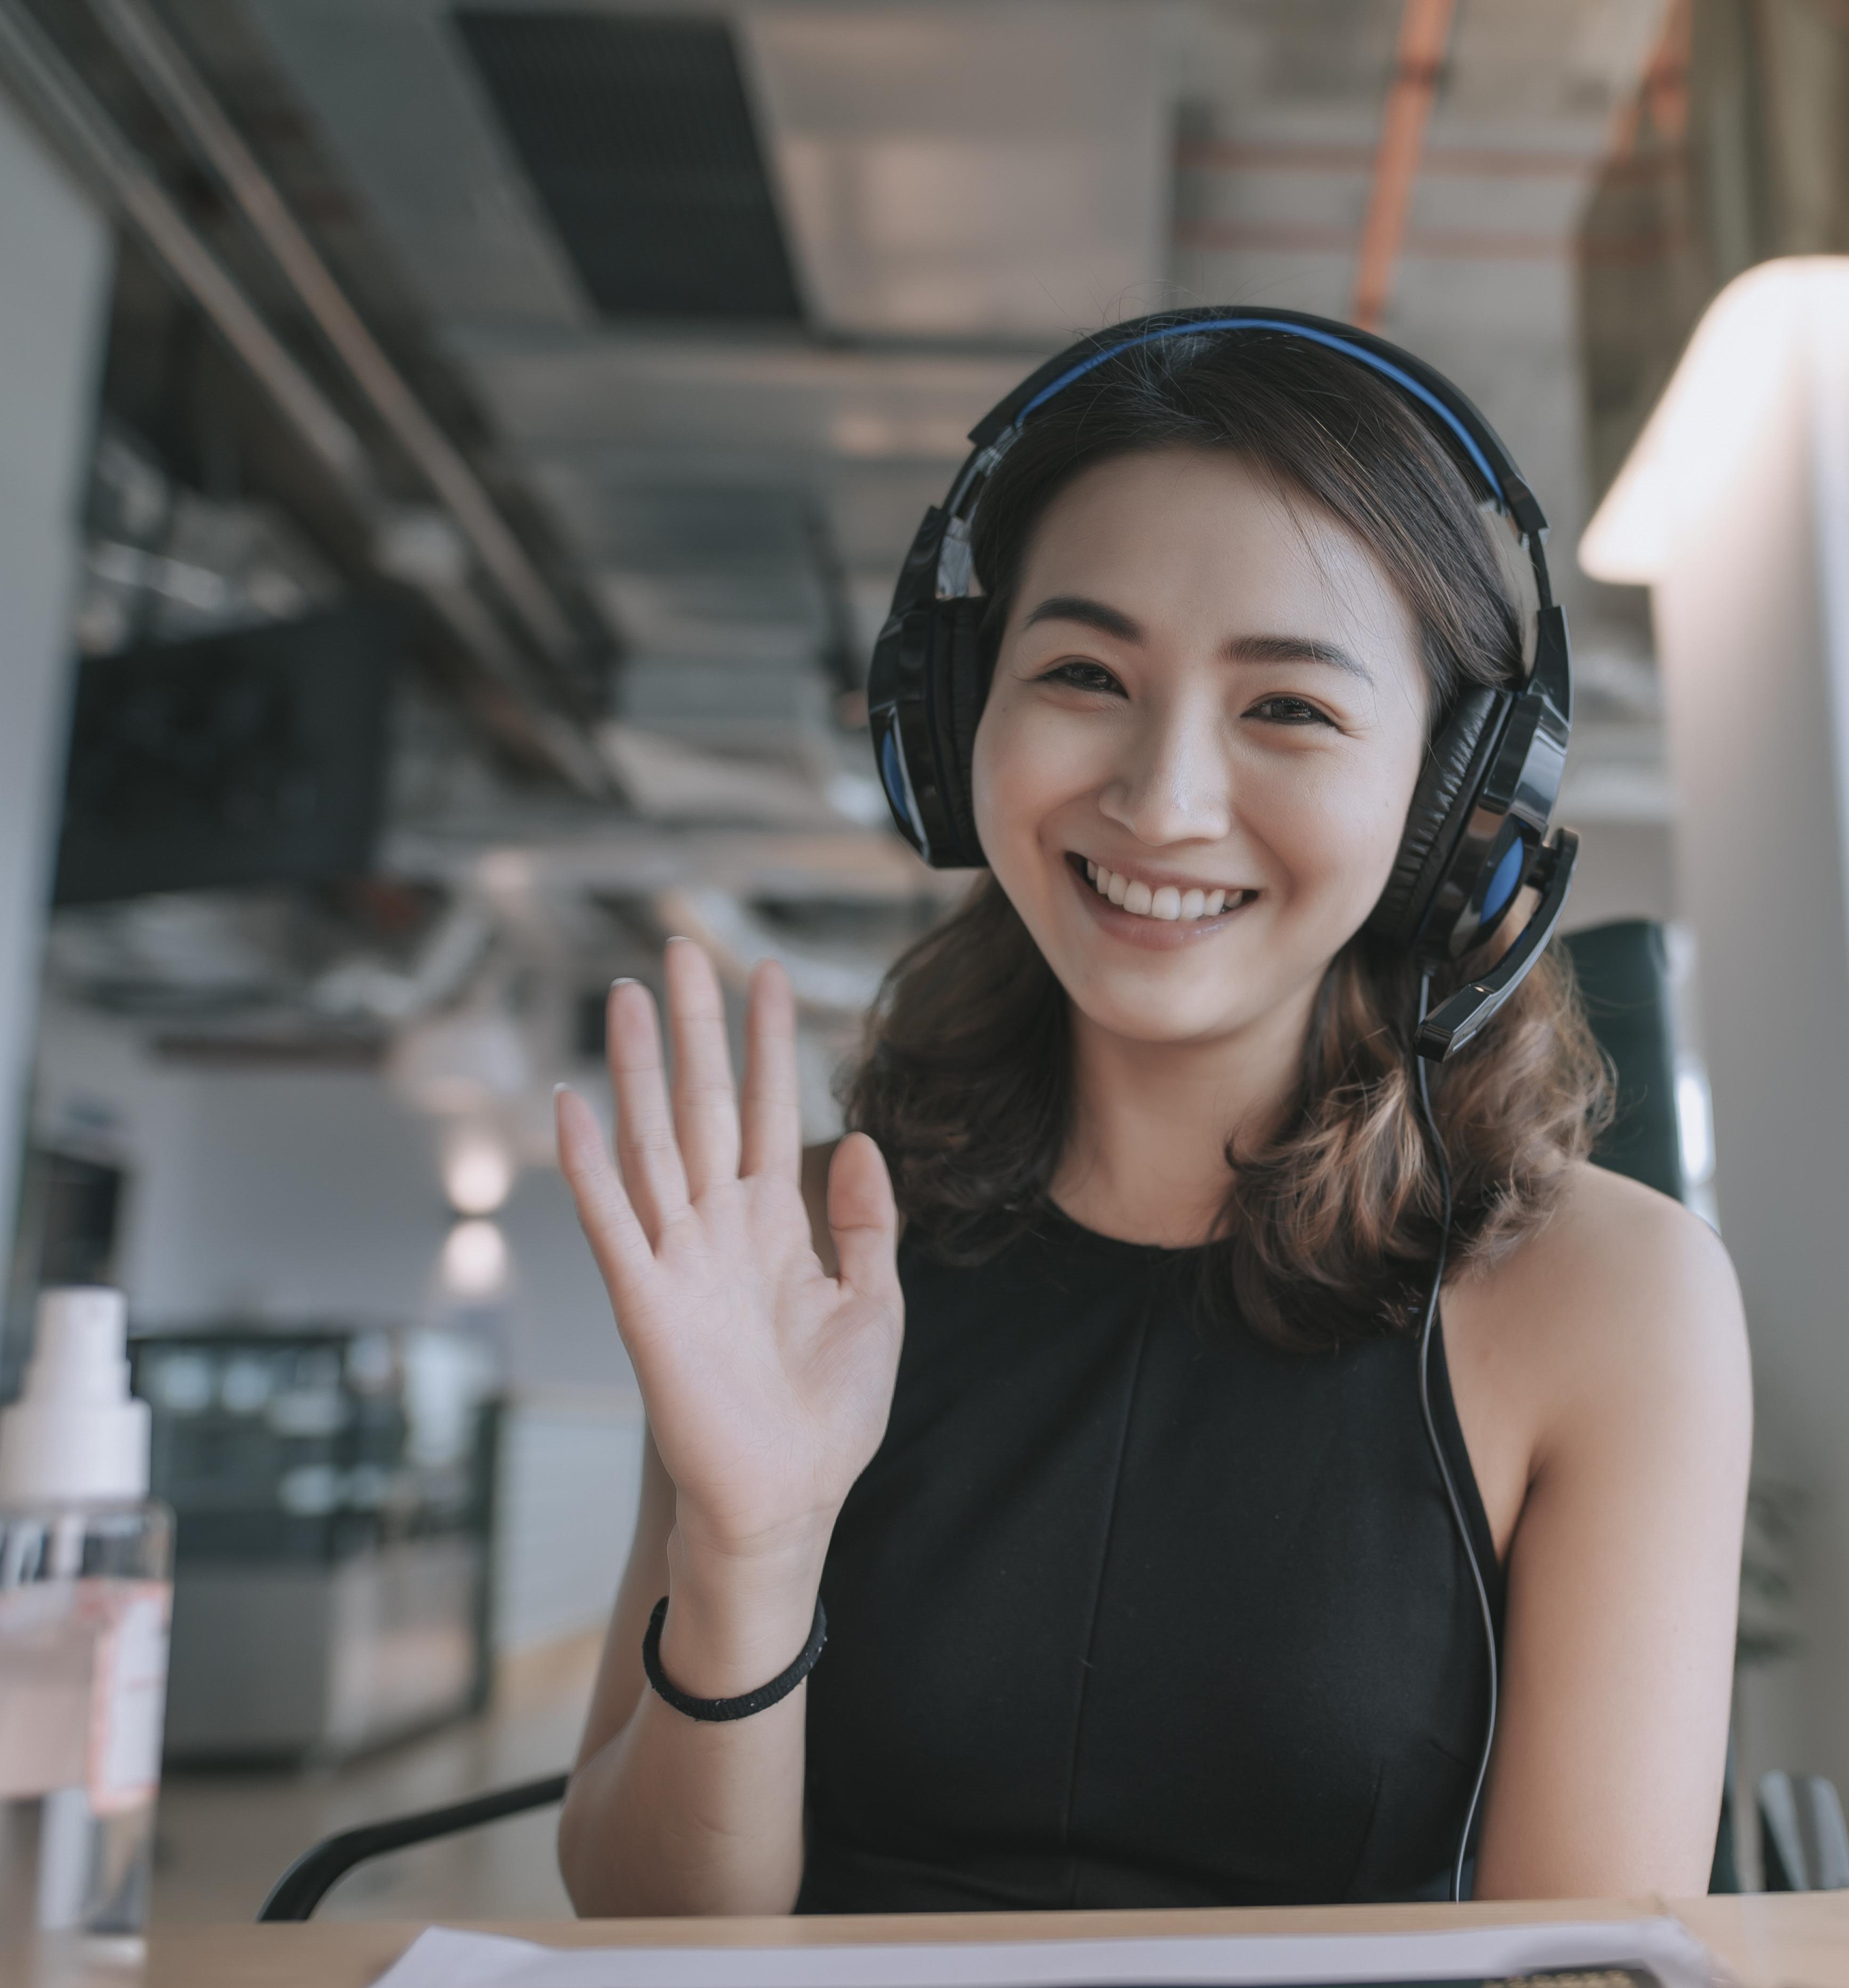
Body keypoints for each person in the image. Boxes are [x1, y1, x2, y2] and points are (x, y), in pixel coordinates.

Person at [548, 320, 1750, 1916]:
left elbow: (1580, 1968)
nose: (1164, 797)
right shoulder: (806, 1240)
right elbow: (647, 1931)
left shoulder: (1612, 1297)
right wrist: (749, 1551)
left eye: (1291, 710)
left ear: (1454, 801)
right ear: (957, 718)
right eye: (1083, 675)